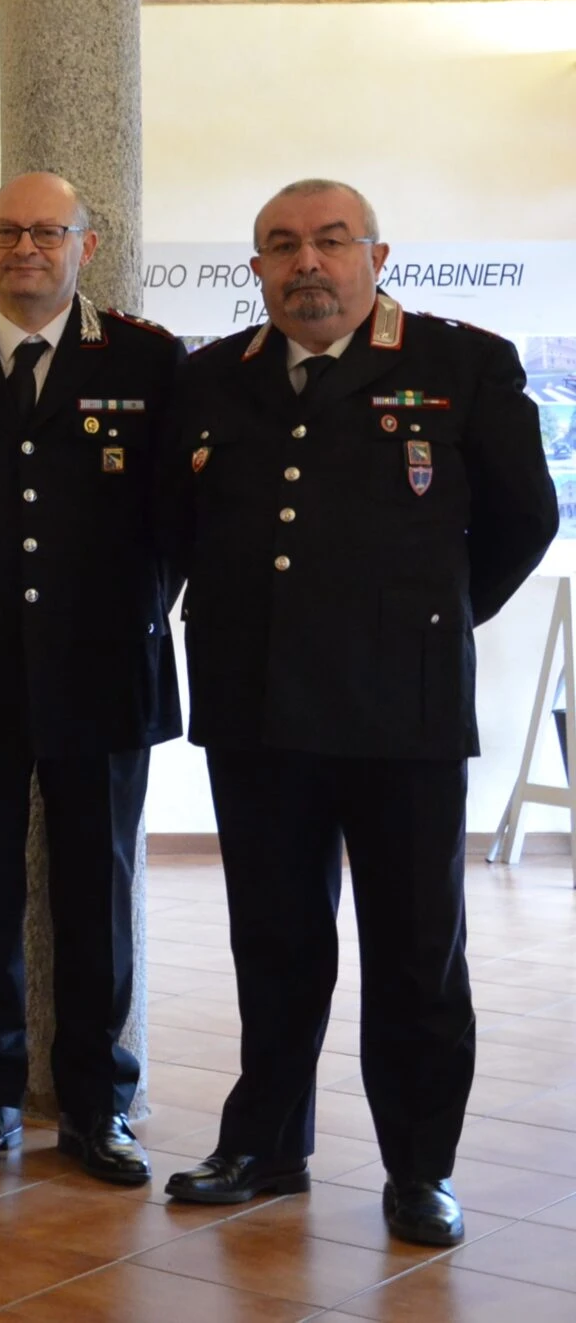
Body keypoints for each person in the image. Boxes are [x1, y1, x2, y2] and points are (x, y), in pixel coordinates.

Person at [158, 179, 554, 1246]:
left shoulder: (460, 364)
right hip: (257, 706)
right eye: (283, 246)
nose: (308, 263)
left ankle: (419, 1168)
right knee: (273, 942)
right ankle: (265, 1145)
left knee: (416, 952)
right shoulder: (212, 378)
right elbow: (173, 529)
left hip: (402, 713)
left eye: (331, 241)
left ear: (377, 258)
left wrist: (429, 619)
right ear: (257, 269)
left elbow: (525, 517)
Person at [0, 172, 182, 1185]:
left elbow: (175, 522)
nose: (26, 248)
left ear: (83, 247)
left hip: (104, 671)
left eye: (47, 232)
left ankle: (98, 1106)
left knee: (97, 893)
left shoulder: (149, 363)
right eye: (8, 231)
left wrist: (116, 612)